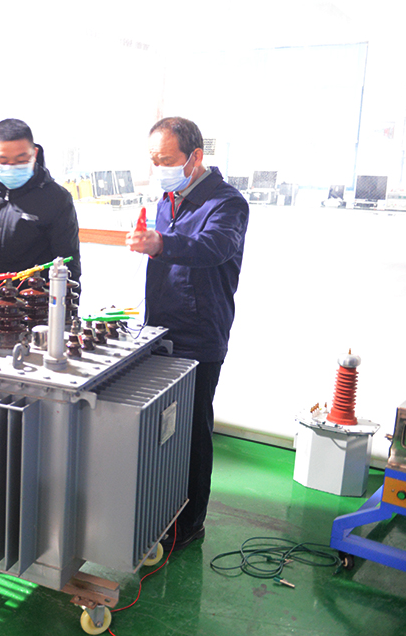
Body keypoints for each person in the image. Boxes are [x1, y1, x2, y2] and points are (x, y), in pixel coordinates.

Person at [126, 116, 249, 552]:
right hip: (161, 330)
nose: (159, 168)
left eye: (166, 160)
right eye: (154, 160)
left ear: (195, 156)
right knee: (163, 430)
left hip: (199, 333)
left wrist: (161, 243)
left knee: (193, 431)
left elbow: (213, 248)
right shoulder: (168, 198)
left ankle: (191, 522)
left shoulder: (227, 203)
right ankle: (161, 508)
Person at [0, 118, 81, 346]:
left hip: (34, 308)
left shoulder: (56, 198)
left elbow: (68, 259)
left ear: (34, 153)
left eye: (21, 160)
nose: (11, 167)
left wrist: (66, 312)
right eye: (3, 160)